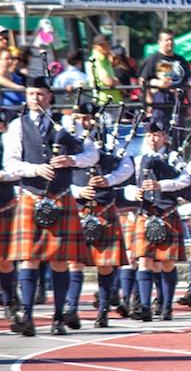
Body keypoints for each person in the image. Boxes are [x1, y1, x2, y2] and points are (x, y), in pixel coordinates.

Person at [4, 76, 98, 336]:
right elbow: (10, 164)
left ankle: (58, 318)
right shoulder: (17, 126)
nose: (36, 98)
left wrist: (73, 160)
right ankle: (26, 316)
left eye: (41, 94)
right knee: (28, 259)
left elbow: (92, 154)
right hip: (31, 196)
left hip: (61, 196)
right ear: (26, 96)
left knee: (59, 261)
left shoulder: (67, 123)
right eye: (32, 94)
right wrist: (36, 168)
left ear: (50, 96)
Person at [67, 102, 133, 328]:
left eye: (88, 118)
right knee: (75, 262)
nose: (84, 122)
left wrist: (109, 180)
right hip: (78, 207)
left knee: (105, 264)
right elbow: (56, 172)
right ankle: (71, 310)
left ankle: (103, 312)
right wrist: (78, 191)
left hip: (104, 207)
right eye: (80, 117)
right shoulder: (68, 142)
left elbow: (127, 167)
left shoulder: (108, 142)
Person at [126, 119, 190, 322]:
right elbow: (126, 183)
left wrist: (160, 185)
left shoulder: (174, 157)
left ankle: (166, 304)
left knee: (166, 263)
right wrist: (132, 192)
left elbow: (185, 180)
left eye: (156, 135)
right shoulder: (137, 159)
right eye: (148, 136)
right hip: (145, 214)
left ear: (164, 137)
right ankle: (145, 306)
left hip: (167, 213)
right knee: (143, 259)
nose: (152, 139)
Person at [0, 109, 20, 321]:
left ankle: (10, 301)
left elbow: (16, 168)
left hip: (3, 202)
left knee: (4, 259)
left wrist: (3, 175)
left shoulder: (8, 142)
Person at [86, 34, 123, 105]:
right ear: (95, 47)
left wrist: (115, 82)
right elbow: (108, 82)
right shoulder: (96, 60)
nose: (106, 48)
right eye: (102, 45)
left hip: (113, 101)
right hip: (104, 102)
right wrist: (119, 85)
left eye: (108, 45)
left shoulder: (105, 59)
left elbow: (112, 80)